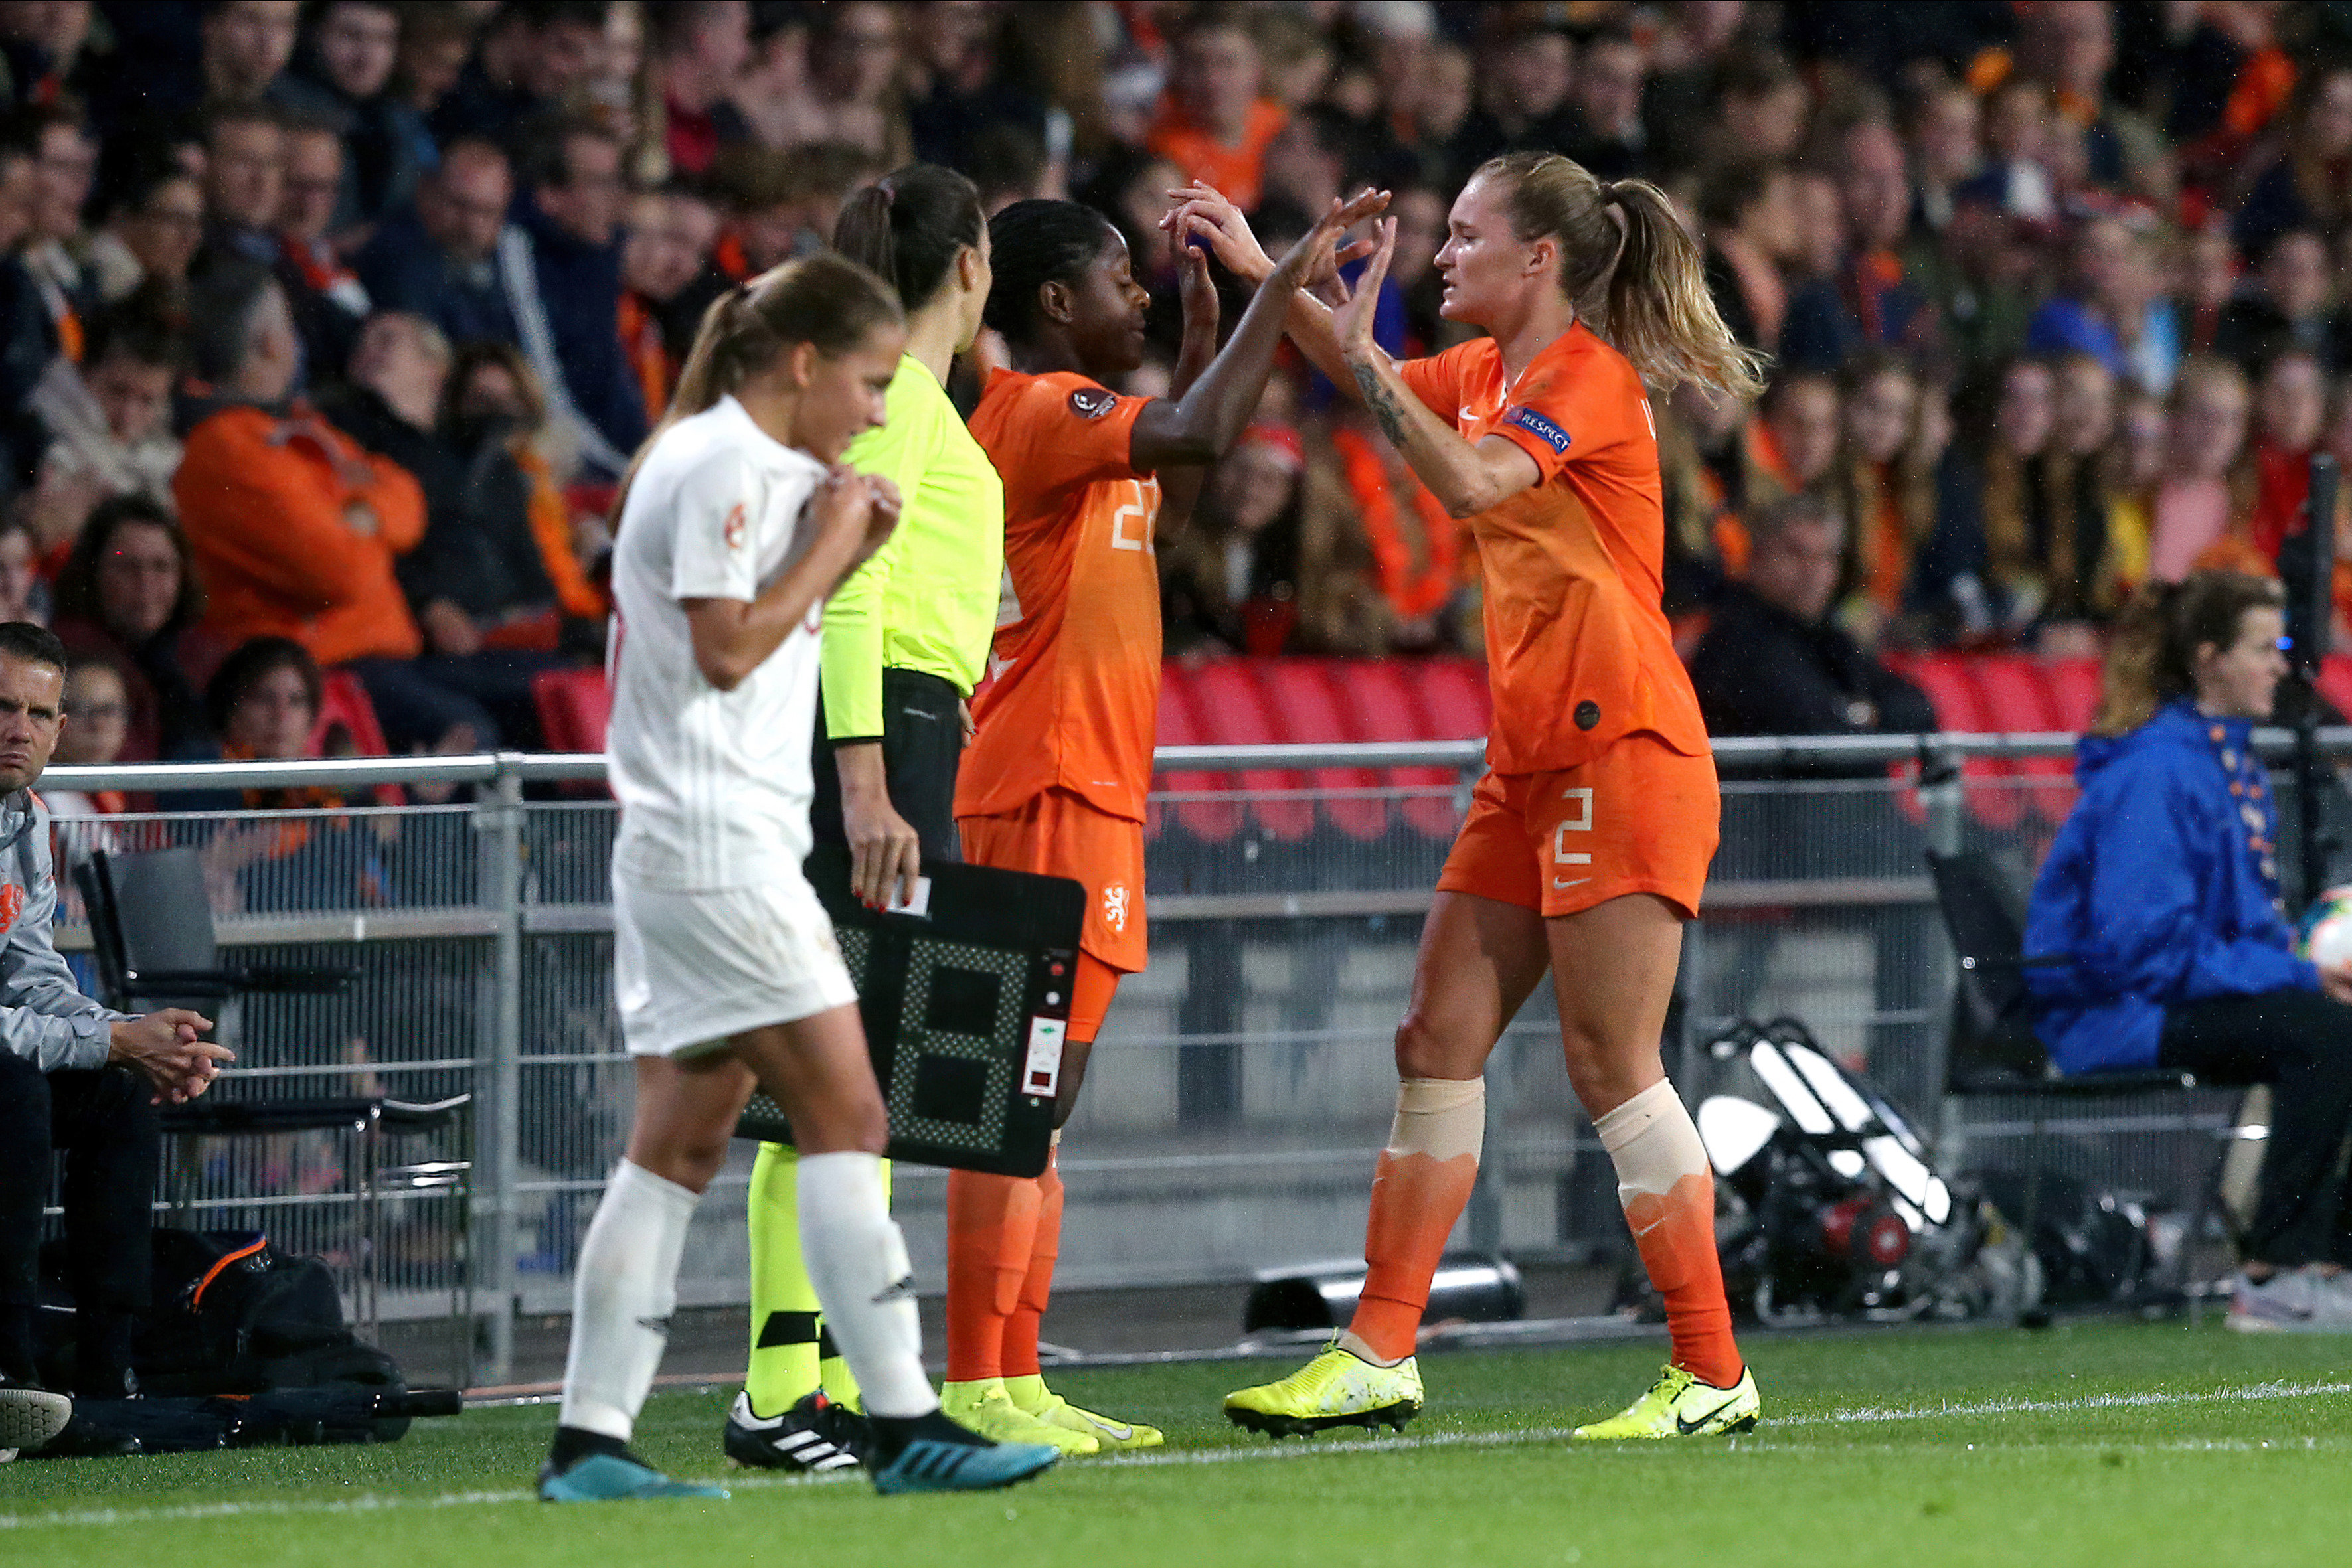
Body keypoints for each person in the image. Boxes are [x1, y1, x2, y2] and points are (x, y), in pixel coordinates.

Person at [1174, 150, 1765, 1438]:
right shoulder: (1493, 373)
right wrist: (1259, 267)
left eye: (1465, 235)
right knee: (1433, 1037)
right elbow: (1358, 377)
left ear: (1537, 259)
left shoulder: (1587, 379)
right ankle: (1380, 1348)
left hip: (1625, 751)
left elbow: (1464, 479)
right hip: (1533, 756)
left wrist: (1350, 335)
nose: (1440, 254)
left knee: (1612, 1064)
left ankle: (1712, 1370)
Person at [539, 251, 1058, 1502]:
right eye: (871, 382)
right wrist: (833, 549)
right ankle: (903, 1420)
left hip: (695, 846)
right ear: (805, 361)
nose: (881, 412)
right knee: (851, 1115)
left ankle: (589, 1439)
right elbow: (725, 651)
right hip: (719, 848)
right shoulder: (725, 463)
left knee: (677, 1144)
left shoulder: (735, 462)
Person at [944, 188, 1373, 1451]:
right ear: (1050, 305)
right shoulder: (1035, 412)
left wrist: (1202, 337)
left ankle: (1016, 1378)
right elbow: (1192, 435)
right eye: (1117, 278)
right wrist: (1271, 284)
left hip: (1095, 786)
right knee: (1015, 1099)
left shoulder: (1091, 439)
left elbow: (1167, 506)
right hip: (1041, 781)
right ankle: (977, 1379)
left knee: (1046, 1103)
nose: (1136, 292)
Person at [728, 163, 1001, 1475]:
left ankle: (825, 1379)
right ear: (970, 266)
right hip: (880, 735)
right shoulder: (900, 398)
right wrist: (868, 778)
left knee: (865, 1074)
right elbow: (846, 581)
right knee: (835, 1072)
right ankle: (784, 1382)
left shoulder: (917, 400)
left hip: (908, 723)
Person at [2025, 572, 2352, 1331]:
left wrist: (2308, 970)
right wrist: (2301, 974)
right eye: (2261, 648)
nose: (2279, 664)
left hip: (2172, 993)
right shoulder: (2159, 771)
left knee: (2330, 1022)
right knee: (2324, 1037)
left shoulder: (2222, 763)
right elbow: (2140, 951)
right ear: (2208, 658)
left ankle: (2333, 1260)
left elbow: (2241, 929)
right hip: (2115, 1012)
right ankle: (2276, 1269)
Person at [0, 622, 228, 1456]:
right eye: (0, 705)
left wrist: (127, 1036)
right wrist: (112, 1041)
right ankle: (8, 1370)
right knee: (15, 1087)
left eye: (35, 711)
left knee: (117, 1098)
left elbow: (33, 976)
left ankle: (105, 1375)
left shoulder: (23, 821)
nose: (15, 728)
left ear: (61, 731)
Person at [50, 496, 217, 763]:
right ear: (92, 572)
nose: (145, 582)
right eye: (127, 565)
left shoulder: (203, 657)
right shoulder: (60, 657)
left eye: (161, 566)